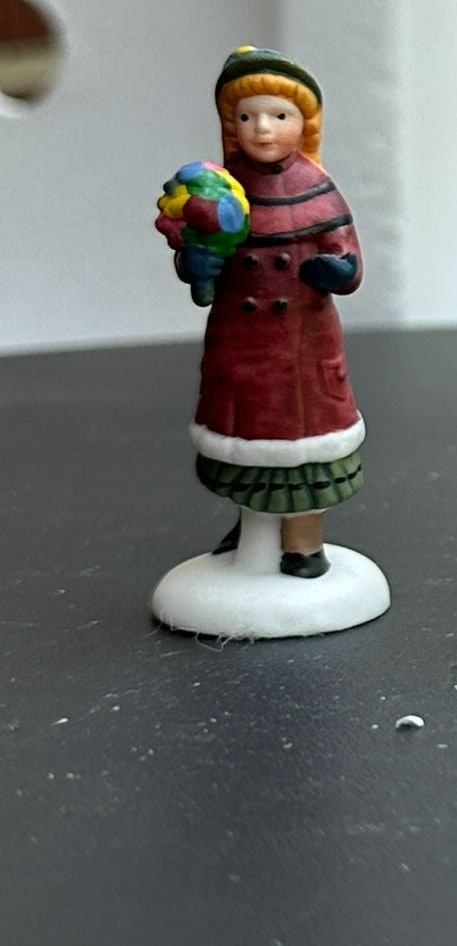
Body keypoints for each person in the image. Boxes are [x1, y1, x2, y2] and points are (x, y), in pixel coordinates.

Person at [183, 46, 366, 578]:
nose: (262, 129)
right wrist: (196, 264)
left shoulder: (318, 191)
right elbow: (202, 276)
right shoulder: (222, 191)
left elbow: (350, 264)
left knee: (304, 450)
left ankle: (304, 543)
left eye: (279, 115)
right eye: (247, 117)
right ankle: (252, 524)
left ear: (303, 123)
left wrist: (335, 271)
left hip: (301, 346)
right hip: (241, 343)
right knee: (246, 441)